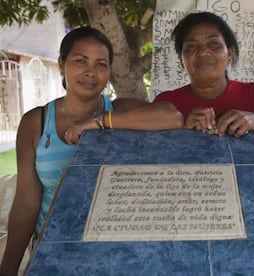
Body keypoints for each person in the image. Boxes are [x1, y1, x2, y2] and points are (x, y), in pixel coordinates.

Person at [0, 26, 182, 275]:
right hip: (53, 252)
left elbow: (171, 116)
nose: (90, 72)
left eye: (101, 64)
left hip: (112, 253)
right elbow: (25, 204)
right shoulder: (37, 123)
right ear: (62, 63)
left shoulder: (120, 112)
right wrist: (8, 268)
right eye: (80, 61)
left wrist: (98, 122)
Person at [154, 12, 254, 140]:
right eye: (192, 46)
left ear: (230, 54)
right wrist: (183, 131)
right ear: (181, 59)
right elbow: (150, 156)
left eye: (213, 44)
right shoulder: (166, 103)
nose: (202, 52)